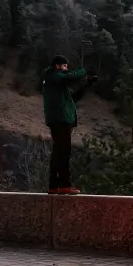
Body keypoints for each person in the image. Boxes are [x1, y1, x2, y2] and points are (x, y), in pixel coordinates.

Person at [42, 55, 97, 195]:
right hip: (60, 119)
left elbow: (73, 99)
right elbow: (68, 77)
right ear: (57, 66)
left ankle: (54, 185)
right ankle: (64, 184)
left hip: (61, 119)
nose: (67, 69)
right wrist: (84, 70)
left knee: (58, 153)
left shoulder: (59, 85)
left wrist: (86, 84)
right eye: (65, 66)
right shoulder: (52, 76)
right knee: (64, 152)